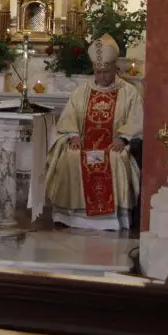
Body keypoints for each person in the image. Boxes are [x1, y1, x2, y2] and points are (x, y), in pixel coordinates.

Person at [44, 34, 142, 231]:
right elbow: (69, 116)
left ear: (115, 68)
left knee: (115, 158)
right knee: (71, 156)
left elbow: (137, 118)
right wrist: (73, 135)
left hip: (113, 143)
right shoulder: (81, 91)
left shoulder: (129, 91)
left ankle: (112, 218)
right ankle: (72, 216)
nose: (102, 76)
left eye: (106, 72)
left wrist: (123, 138)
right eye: (98, 72)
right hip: (84, 142)